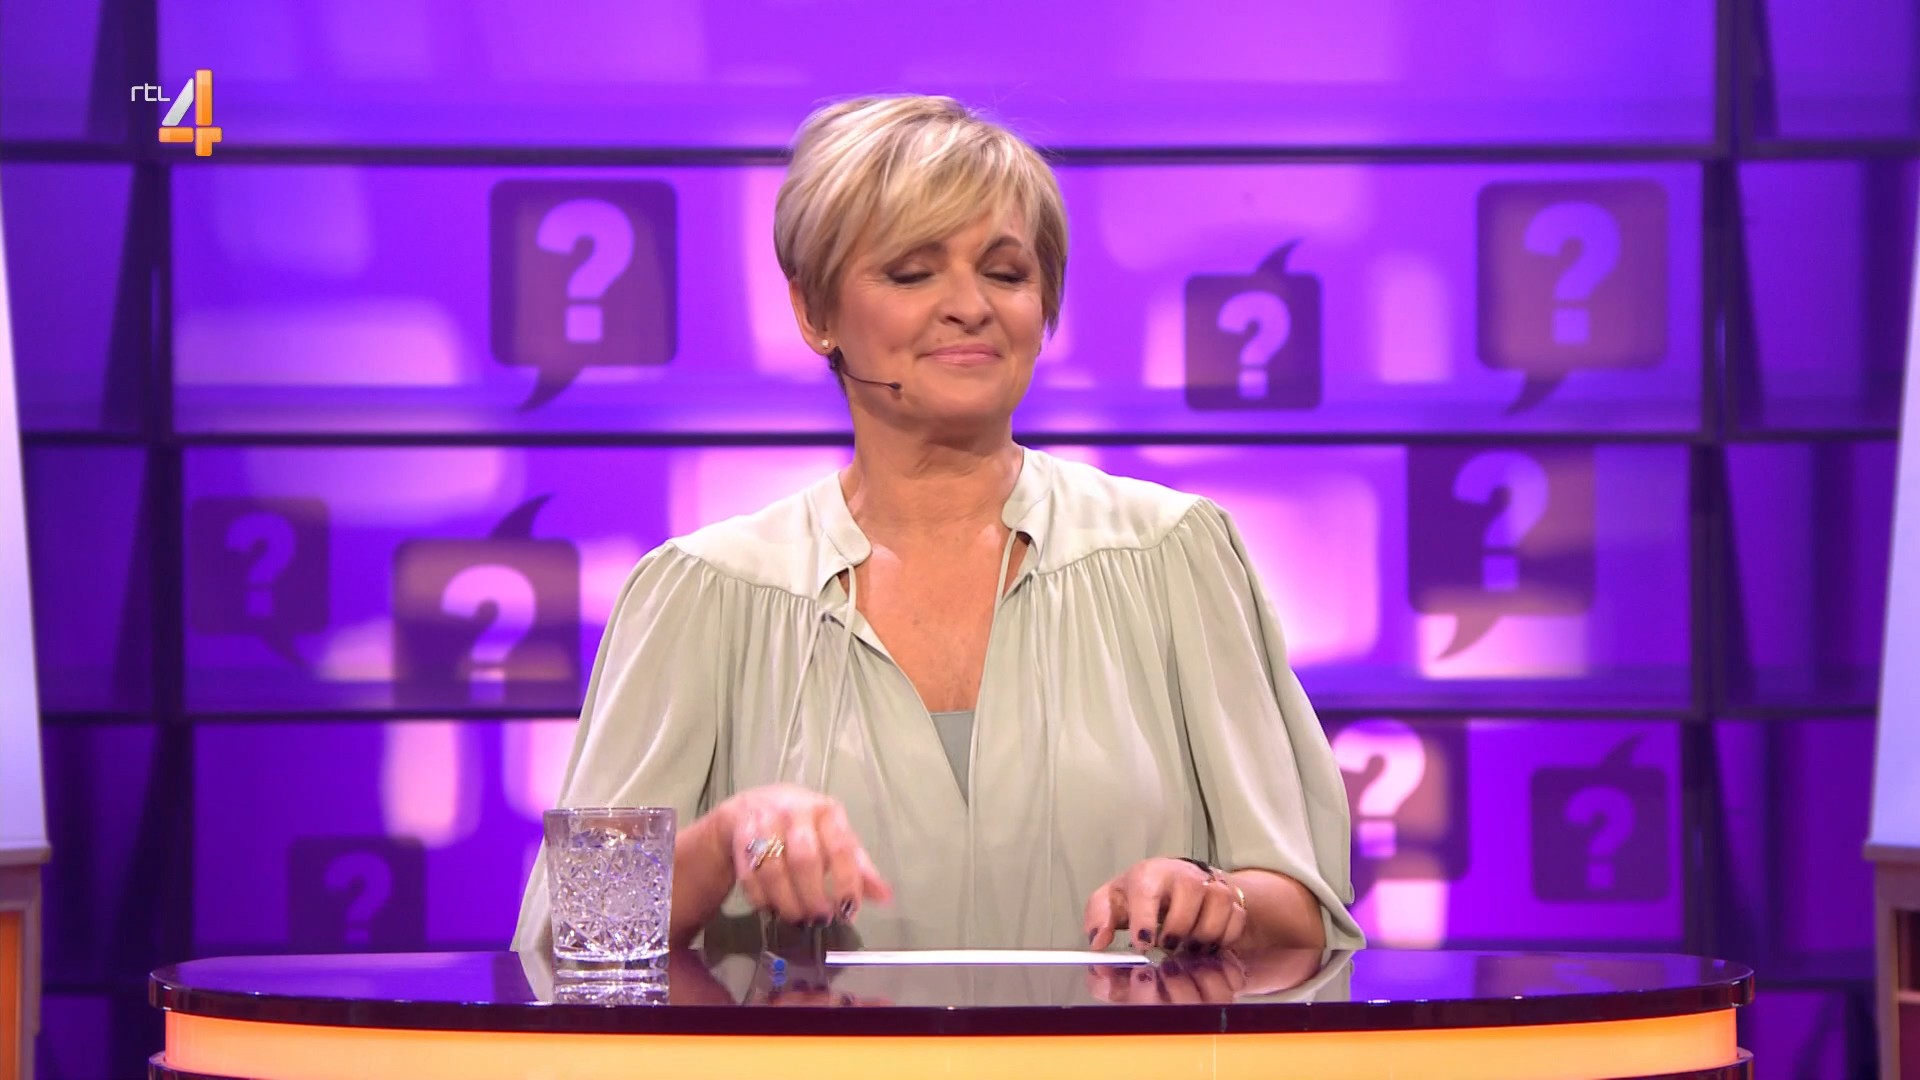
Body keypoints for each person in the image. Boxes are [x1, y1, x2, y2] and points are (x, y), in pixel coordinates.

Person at [512, 94, 1363, 956]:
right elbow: (568, 943)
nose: (970, 305)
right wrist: (730, 838)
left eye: (1006, 273)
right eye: (913, 273)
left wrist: (1216, 898)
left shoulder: (1171, 553)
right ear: (815, 314)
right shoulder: (705, 592)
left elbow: (1305, 915)